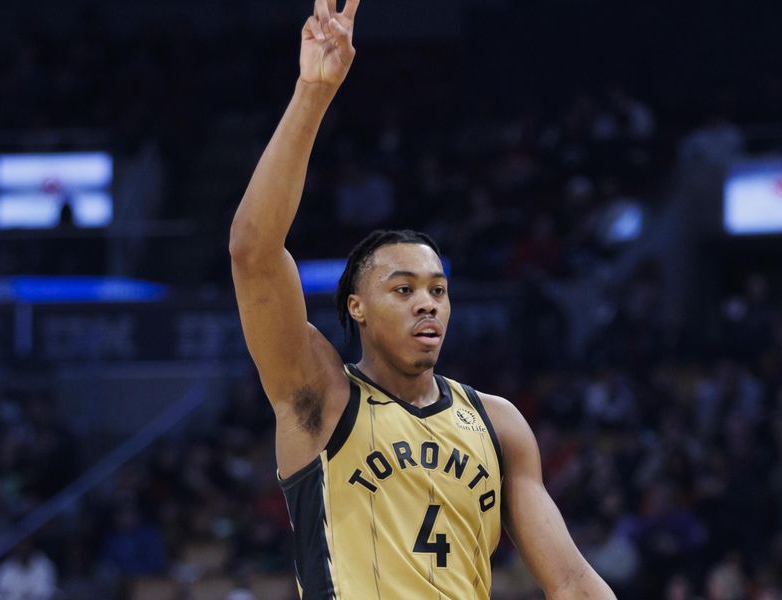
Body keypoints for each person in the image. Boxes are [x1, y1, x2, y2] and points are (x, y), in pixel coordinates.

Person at [229, 1, 616, 598]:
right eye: (403, 289)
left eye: (438, 290)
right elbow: (254, 253)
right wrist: (313, 92)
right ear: (355, 307)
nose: (427, 303)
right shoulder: (320, 394)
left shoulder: (498, 423)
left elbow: (570, 582)